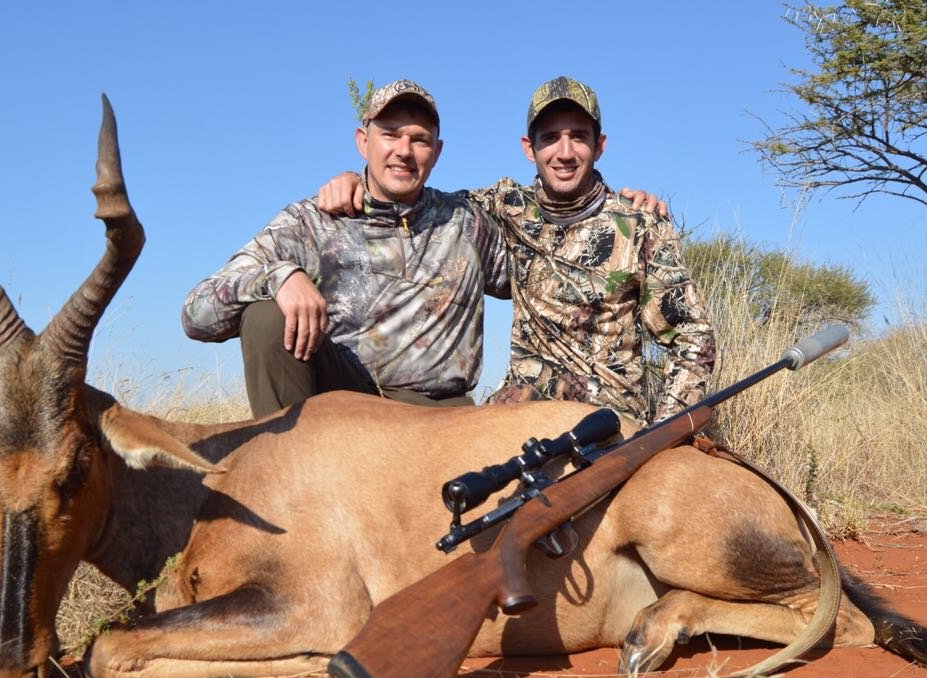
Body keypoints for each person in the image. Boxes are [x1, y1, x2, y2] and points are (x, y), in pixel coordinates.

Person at [320, 77, 715, 425]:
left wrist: (662, 432)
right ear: (530, 148)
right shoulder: (506, 206)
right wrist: (359, 180)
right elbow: (417, 197)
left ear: (600, 146)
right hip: (514, 419)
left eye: (579, 136)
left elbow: (694, 340)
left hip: (607, 425)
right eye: (550, 138)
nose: (564, 152)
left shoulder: (641, 224)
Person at [182, 80, 510, 417]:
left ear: (437, 152)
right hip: (341, 408)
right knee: (266, 316)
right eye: (390, 134)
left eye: (419, 139)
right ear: (363, 142)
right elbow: (196, 315)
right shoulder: (310, 222)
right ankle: (290, 461)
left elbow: (533, 272)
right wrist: (279, 276)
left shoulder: (467, 221)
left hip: (441, 416)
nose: (404, 151)